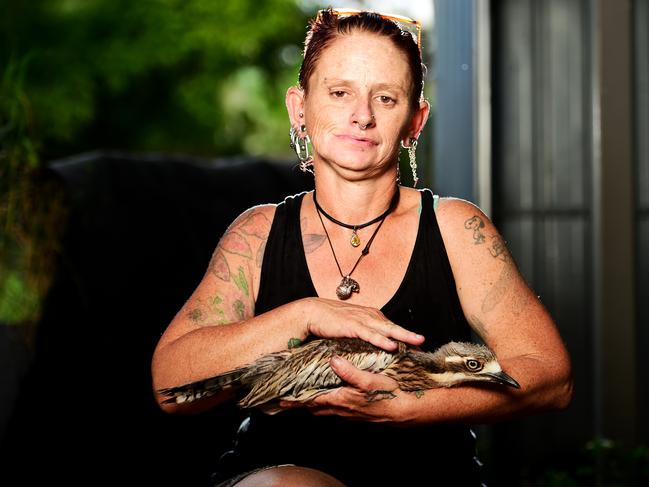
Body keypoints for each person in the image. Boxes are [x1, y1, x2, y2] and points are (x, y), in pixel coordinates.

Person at [151, 8, 573, 486]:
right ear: (299, 107)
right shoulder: (257, 233)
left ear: (415, 121)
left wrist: (413, 407)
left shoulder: (456, 228)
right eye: (339, 93)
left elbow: (552, 378)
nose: (362, 115)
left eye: (386, 98)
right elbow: (171, 388)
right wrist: (302, 315)